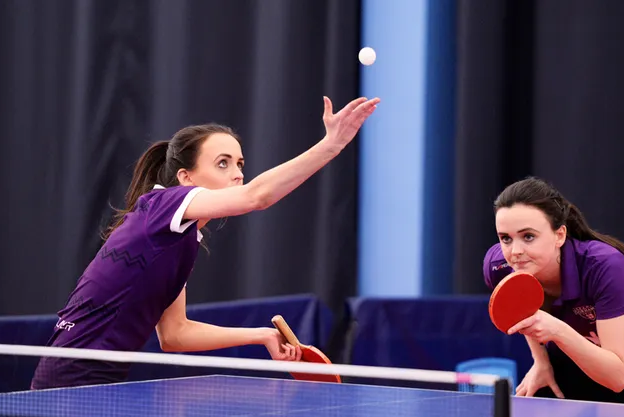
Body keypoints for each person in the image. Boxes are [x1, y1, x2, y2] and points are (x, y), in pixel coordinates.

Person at [31, 95, 380, 390]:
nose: (238, 174)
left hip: (101, 380)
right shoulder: (161, 205)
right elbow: (257, 196)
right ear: (186, 178)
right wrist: (331, 146)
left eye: (239, 164)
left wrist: (261, 335)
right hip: (70, 377)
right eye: (222, 164)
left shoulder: (177, 241)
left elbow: (175, 335)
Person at [482, 176, 624, 409]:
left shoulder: (604, 265)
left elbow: (617, 378)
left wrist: (557, 330)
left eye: (528, 236)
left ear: (559, 235)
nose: (515, 251)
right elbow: (525, 310)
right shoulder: (499, 267)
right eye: (505, 238)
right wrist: (541, 361)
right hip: (577, 361)